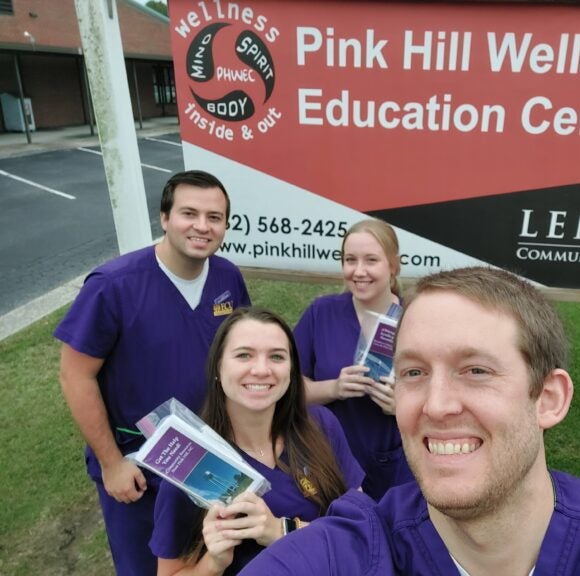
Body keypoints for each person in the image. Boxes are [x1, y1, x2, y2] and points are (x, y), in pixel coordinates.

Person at [239, 266, 580, 575]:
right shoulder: (354, 551)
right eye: (415, 372)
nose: (437, 405)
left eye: (475, 370)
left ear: (549, 399)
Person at [55, 170, 251, 576]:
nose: (202, 226)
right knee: (146, 567)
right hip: (142, 471)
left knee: (216, 562)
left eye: (214, 217)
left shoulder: (227, 277)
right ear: (164, 218)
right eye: (189, 213)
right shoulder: (113, 285)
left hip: (212, 463)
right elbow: (75, 375)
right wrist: (112, 464)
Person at [150, 307, 364, 576]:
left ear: (291, 371)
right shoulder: (190, 463)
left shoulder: (320, 425)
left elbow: (364, 527)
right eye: (244, 355)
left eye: (276, 356)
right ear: (217, 367)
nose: (261, 370)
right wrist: (213, 564)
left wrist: (281, 531)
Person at [293, 218, 414, 500]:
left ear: (393, 265)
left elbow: (443, 394)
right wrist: (333, 388)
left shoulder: (416, 317)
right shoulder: (321, 313)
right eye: (350, 260)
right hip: (328, 457)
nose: (359, 271)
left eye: (371, 260)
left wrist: (403, 405)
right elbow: (285, 388)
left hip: (396, 462)